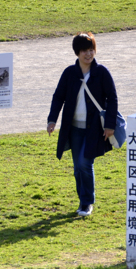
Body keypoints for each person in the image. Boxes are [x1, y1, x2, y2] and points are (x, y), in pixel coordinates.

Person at [47, 33, 118, 217]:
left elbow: (112, 98)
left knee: (84, 163)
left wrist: (110, 125)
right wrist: (52, 119)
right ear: (77, 52)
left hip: (94, 129)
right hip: (74, 129)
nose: (89, 53)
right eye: (85, 50)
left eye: (91, 49)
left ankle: (87, 203)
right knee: (78, 167)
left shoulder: (101, 72)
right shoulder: (70, 73)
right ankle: (83, 201)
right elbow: (58, 96)